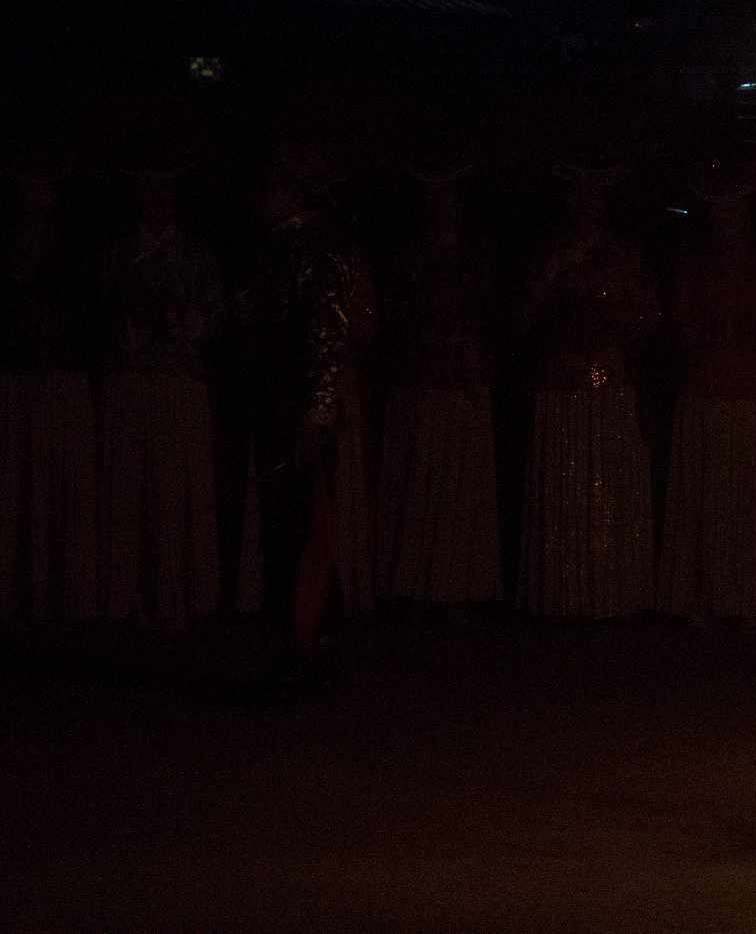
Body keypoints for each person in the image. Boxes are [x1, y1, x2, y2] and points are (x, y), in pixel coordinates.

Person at [234, 143, 377, 684]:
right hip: (277, 405)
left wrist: (317, 414)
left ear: (294, 192)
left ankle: (306, 646)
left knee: (304, 524)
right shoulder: (277, 250)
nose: (258, 198)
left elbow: (326, 338)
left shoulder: (314, 251)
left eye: (269, 187)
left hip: (298, 412)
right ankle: (298, 644)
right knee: (286, 524)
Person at [91, 143, 226, 631]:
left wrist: (187, 321)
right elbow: (99, 318)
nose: (156, 195)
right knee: (127, 493)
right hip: (128, 386)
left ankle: (175, 597)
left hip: (178, 386)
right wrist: (130, 328)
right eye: (147, 185)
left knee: (174, 494)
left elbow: (217, 318)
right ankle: (125, 599)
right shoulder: (116, 254)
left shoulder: (196, 254)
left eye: (164, 185)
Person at [518, 165, 658, 618]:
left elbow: (645, 319)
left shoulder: (622, 256)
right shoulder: (551, 256)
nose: (584, 204)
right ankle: (565, 592)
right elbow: (525, 318)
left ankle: (611, 590)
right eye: (576, 195)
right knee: (567, 484)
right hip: (560, 384)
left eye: (591, 194)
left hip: (607, 384)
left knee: (605, 486)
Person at [656, 160, 756, 622]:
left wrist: (749, 330)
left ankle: (748, 597)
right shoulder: (696, 267)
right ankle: (704, 595)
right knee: (706, 497)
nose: (727, 220)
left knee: (746, 499)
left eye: (735, 211)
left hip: (750, 396)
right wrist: (702, 332)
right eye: (720, 212)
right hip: (703, 393)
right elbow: (676, 327)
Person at [377, 159, 502, 611]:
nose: (438, 206)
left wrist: (461, 332)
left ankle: (457, 587)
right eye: (431, 197)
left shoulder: (477, 258)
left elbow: (490, 314)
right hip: (417, 379)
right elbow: (391, 315)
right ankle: (411, 584)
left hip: (461, 380)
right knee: (417, 479)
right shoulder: (409, 258)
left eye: (446, 197)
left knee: (457, 483)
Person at [0, 153, 92, 627]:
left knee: (55, 487)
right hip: (15, 377)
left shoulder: (72, 250)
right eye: (28, 185)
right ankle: (13, 590)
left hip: (58, 378)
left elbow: (85, 310)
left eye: (45, 186)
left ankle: (53, 591)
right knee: (13, 485)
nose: (37, 196)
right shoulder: (8, 248)